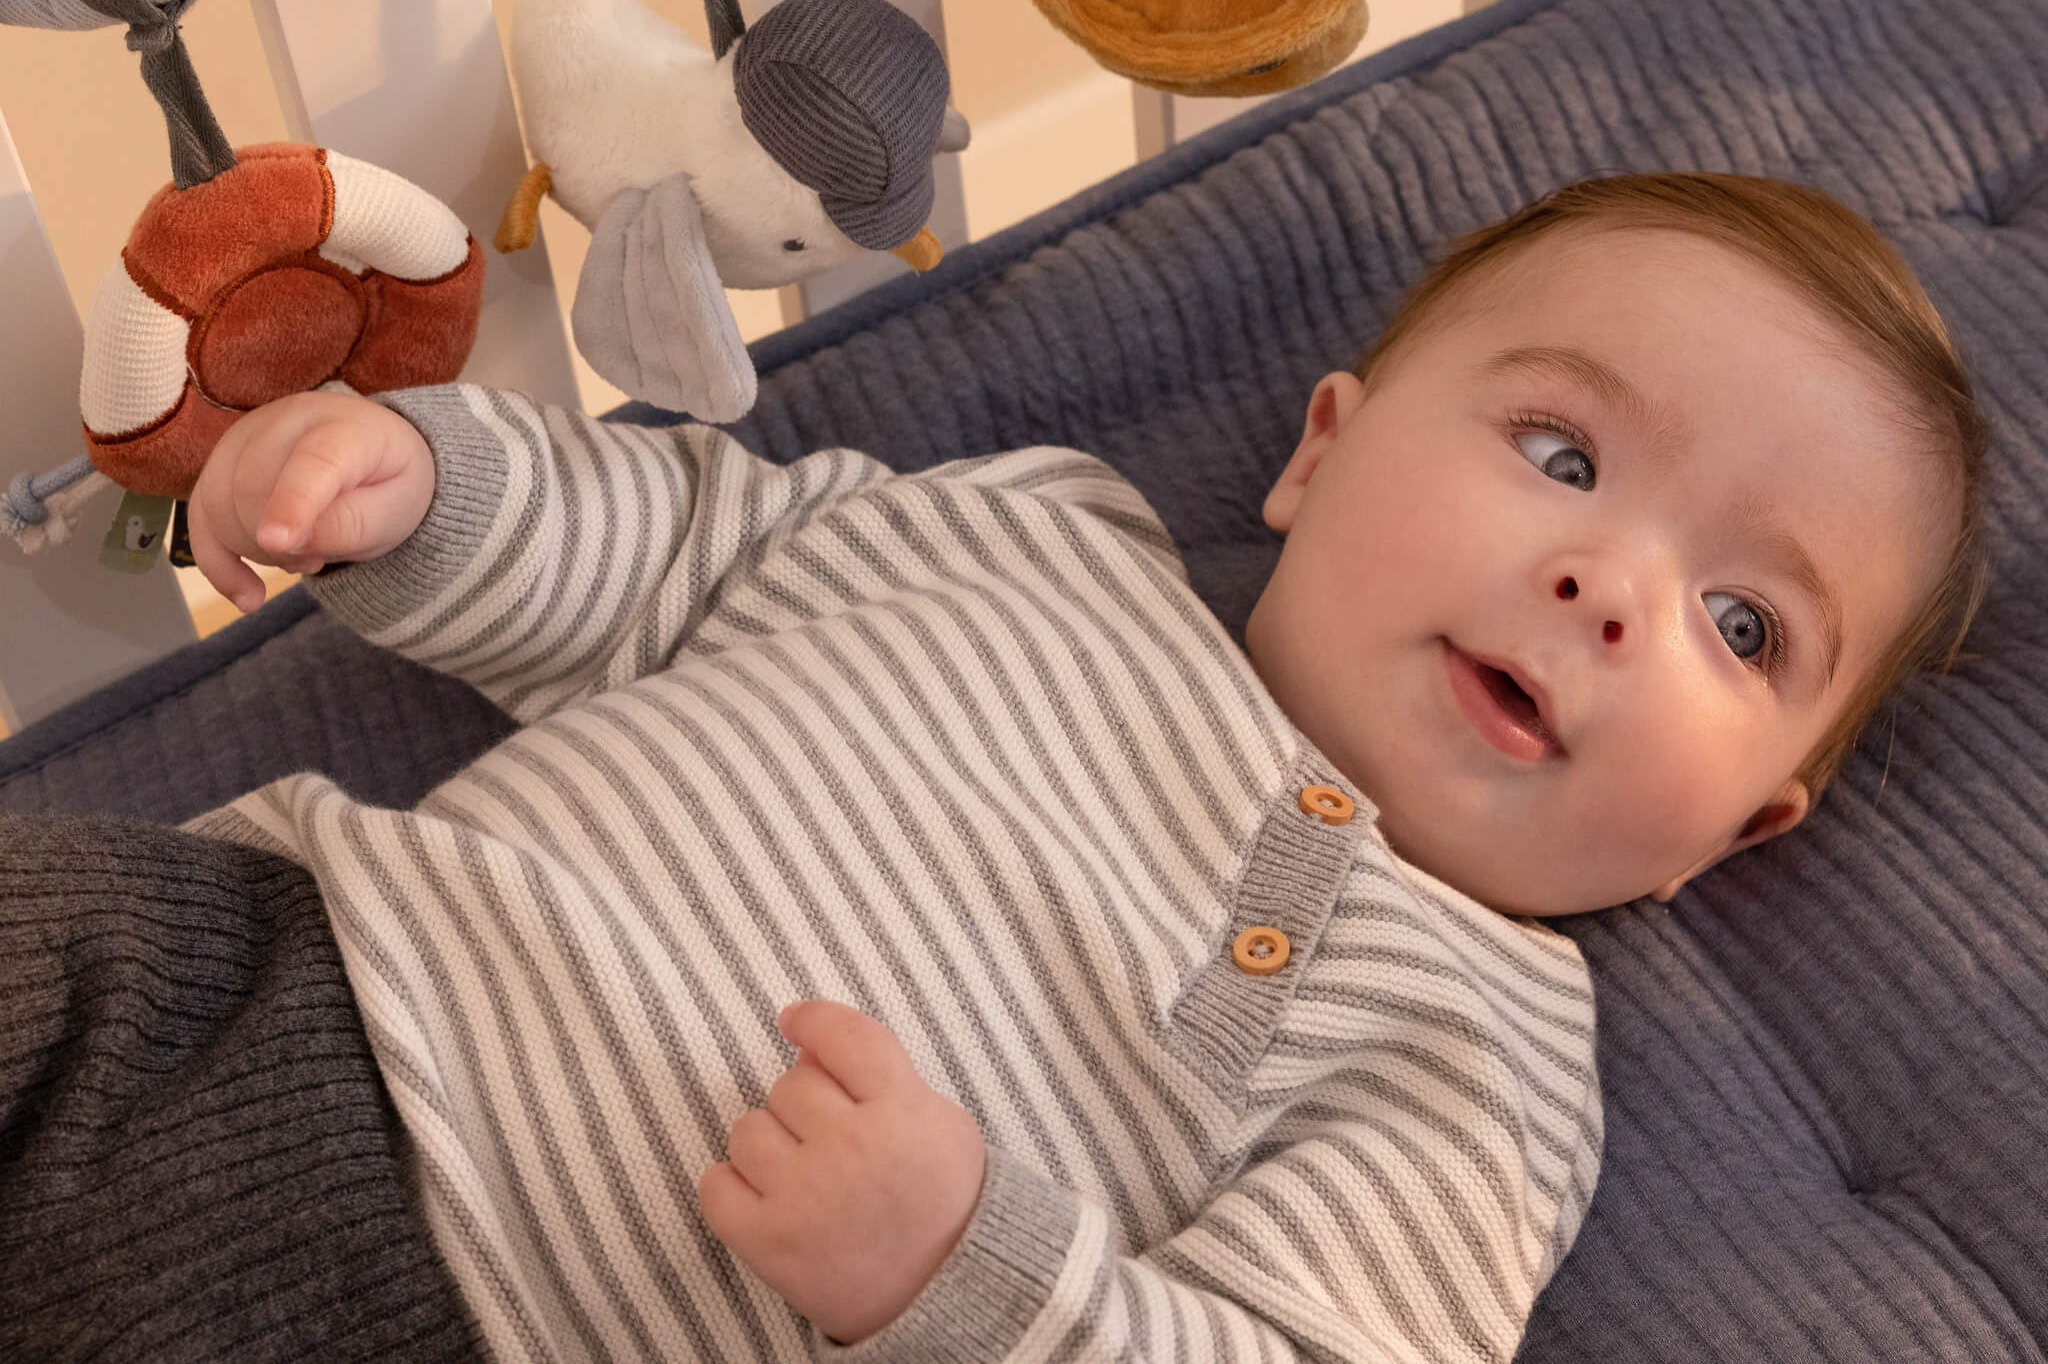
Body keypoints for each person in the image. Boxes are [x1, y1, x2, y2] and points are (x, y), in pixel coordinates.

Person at [13, 171, 1986, 1364]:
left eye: (1746, 626)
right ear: (1319, 453)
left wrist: (958, 1274)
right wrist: (428, 488)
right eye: (1561, 454)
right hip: (269, 986)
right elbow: (670, 552)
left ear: (1735, 834)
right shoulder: (1038, 533)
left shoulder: (1476, 1062)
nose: (1609, 586)